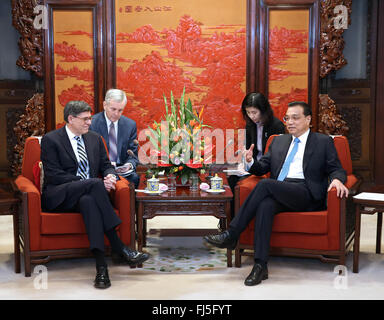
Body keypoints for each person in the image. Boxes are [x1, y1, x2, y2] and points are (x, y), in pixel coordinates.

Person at [204, 101, 349, 286]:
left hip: (306, 193)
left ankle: (232, 234)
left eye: (295, 118)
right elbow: (262, 166)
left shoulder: (323, 141)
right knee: (265, 205)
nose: (290, 122)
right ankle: (260, 266)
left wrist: (337, 180)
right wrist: (250, 162)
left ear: (308, 119)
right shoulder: (278, 141)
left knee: (265, 185)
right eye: (287, 118)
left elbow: (337, 169)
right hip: (280, 189)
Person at [41, 100, 149, 289]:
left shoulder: (94, 138)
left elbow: (106, 165)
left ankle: (102, 269)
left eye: (90, 118)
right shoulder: (52, 140)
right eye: (84, 119)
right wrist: (88, 183)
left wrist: (109, 176)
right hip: (61, 194)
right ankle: (119, 246)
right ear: (71, 119)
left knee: (89, 202)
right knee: (93, 185)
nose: (89, 123)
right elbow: (53, 175)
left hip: (88, 195)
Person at [227, 92, 285, 194]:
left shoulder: (276, 126)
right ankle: (234, 210)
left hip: (267, 168)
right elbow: (250, 150)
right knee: (231, 179)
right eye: (248, 112)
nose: (251, 116)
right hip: (253, 166)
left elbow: (276, 157)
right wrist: (246, 160)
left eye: (254, 112)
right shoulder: (250, 125)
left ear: (263, 110)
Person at [90, 89, 140, 188]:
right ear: (105, 105)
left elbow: (133, 155)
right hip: (101, 170)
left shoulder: (130, 125)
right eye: (113, 109)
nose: (116, 113)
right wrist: (107, 166)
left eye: (120, 110)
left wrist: (129, 165)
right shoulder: (92, 124)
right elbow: (89, 154)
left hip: (122, 172)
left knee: (134, 178)